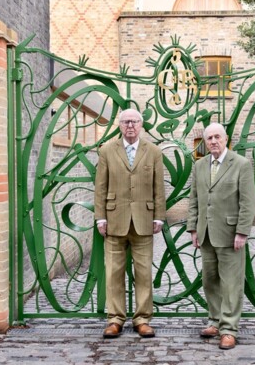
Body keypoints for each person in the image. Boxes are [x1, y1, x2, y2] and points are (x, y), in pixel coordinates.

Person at [94, 108, 166, 339]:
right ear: (119, 125)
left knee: (143, 273)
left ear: (141, 124)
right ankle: (115, 319)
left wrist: (159, 216)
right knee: (114, 272)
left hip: (144, 220)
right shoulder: (107, 150)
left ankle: (142, 319)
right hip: (114, 220)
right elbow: (101, 187)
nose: (130, 126)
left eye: (134, 121)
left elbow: (159, 187)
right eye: (125, 122)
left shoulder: (153, 151)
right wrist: (100, 217)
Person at [187, 122, 255, 350]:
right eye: (209, 138)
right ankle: (214, 321)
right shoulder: (199, 166)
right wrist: (193, 228)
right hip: (206, 234)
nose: (213, 141)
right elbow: (194, 199)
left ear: (225, 139)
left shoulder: (241, 164)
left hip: (230, 234)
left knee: (231, 284)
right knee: (210, 281)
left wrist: (242, 232)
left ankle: (229, 329)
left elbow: (248, 202)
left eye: (217, 137)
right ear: (205, 142)